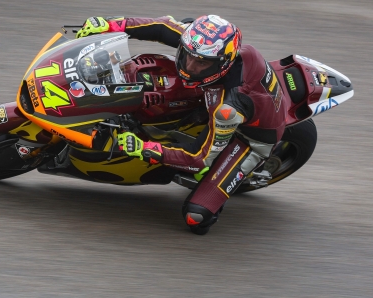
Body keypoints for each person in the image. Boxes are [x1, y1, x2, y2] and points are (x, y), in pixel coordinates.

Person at [75, 15, 287, 235]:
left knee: (195, 216)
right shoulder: (206, 46)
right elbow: (162, 26)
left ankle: (223, 188)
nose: (190, 66)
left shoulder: (228, 109)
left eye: (201, 62)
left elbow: (199, 159)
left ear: (222, 63)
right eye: (187, 55)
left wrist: (144, 148)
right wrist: (110, 24)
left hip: (251, 138)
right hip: (235, 95)